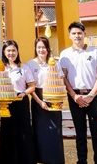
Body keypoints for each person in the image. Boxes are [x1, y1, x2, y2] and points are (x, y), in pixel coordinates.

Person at [60, 22, 97, 164]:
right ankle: (82, 161)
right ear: (69, 35)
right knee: (80, 133)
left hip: (93, 96)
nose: (77, 36)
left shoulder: (95, 52)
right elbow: (64, 77)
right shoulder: (65, 54)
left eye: (79, 33)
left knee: (96, 133)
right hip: (75, 98)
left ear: (84, 34)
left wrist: (91, 95)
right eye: (74, 33)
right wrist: (74, 96)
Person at [26, 36, 65, 164]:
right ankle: (41, 159)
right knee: (40, 131)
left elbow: (60, 81)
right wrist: (40, 102)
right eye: (39, 47)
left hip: (54, 97)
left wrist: (59, 98)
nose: (41, 50)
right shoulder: (30, 64)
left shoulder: (54, 62)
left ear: (48, 49)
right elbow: (30, 87)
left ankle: (55, 160)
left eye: (44, 47)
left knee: (55, 130)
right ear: (35, 49)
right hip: (38, 98)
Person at [0, 39, 36, 164]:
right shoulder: (1, 68)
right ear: (4, 52)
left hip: (21, 101)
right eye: (8, 50)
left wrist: (24, 93)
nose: (11, 53)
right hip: (6, 104)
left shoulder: (24, 67)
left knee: (23, 132)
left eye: (13, 50)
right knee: (7, 133)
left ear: (17, 51)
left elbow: (32, 86)